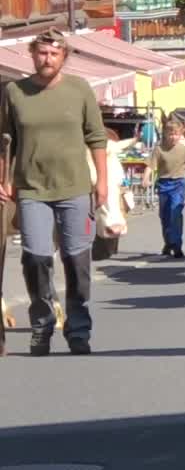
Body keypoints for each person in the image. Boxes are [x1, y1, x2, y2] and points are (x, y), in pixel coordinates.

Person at [0, 30, 110, 356]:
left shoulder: (79, 90)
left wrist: (102, 181)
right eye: (41, 53)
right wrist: (4, 179)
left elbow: (97, 137)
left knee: (76, 260)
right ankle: (42, 324)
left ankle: (77, 328)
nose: (47, 59)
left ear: (64, 56)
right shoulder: (15, 92)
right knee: (35, 257)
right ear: (32, 55)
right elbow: (6, 141)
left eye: (53, 54)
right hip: (32, 188)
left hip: (74, 188)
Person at [144, 120, 185, 258]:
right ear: (165, 134)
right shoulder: (159, 149)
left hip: (178, 184)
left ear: (180, 135)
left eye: (177, 134)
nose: (174, 137)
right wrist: (146, 177)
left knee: (175, 214)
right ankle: (168, 243)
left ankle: (177, 245)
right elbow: (151, 166)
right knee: (164, 216)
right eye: (171, 134)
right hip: (163, 184)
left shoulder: (184, 150)